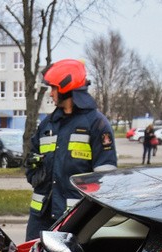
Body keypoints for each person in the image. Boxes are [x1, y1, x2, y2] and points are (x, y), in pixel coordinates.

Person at [25, 59, 118, 241]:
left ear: (66, 88)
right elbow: (31, 162)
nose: (51, 94)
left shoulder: (97, 124)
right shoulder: (47, 124)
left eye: (53, 88)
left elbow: (106, 179)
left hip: (75, 221)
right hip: (40, 220)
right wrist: (35, 172)